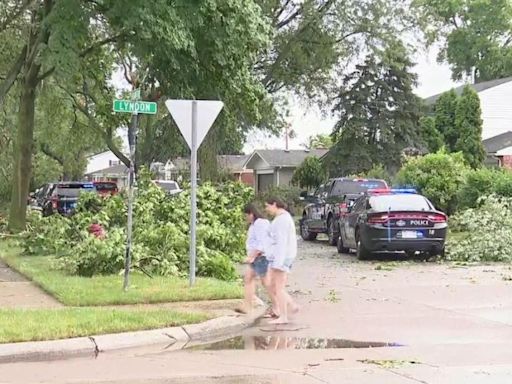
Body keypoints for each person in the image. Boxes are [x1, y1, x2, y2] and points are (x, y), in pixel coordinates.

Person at [265, 197, 299, 325]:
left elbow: (281, 242)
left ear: (274, 204)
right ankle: (290, 305)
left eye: (268, 206)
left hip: (281, 258)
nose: (267, 209)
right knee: (274, 286)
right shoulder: (283, 218)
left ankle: (284, 315)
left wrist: (277, 263)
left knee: (278, 287)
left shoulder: (282, 220)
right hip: (282, 257)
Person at [237, 203, 275, 315]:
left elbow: (261, 243)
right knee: (249, 279)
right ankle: (247, 305)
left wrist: (251, 257)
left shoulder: (260, 224)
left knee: (266, 283)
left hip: (261, 257)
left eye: (246, 216)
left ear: (251, 214)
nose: (245, 218)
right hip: (257, 258)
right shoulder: (254, 225)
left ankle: (278, 305)